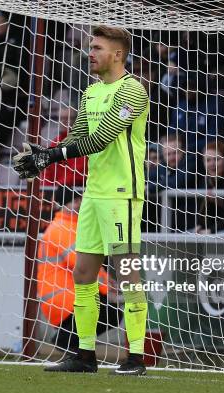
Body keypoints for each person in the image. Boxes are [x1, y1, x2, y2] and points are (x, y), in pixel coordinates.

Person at [13, 26, 149, 375]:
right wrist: (43, 154)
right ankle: (85, 355)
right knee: (84, 272)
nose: (90, 53)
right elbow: (78, 135)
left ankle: (136, 356)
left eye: (97, 47)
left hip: (122, 193)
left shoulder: (133, 90)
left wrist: (51, 155)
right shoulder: (90, 92)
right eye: (89, 46)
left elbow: (101, 138)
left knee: (127, 271)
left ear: (118, 54)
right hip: (93, 193)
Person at [37, 187, 120, 353]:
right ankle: (66, 340)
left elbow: (88, 264)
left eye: (79, 200)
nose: (78, 204)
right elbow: (81, 264)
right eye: (73, 201)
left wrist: (107, 282)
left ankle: (76, 347)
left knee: (112, 312)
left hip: (67, 296)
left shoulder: (73, 226)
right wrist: (109, 289)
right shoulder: (61, 227)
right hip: (63, 299)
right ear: (61, 205)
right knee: (112, 312)